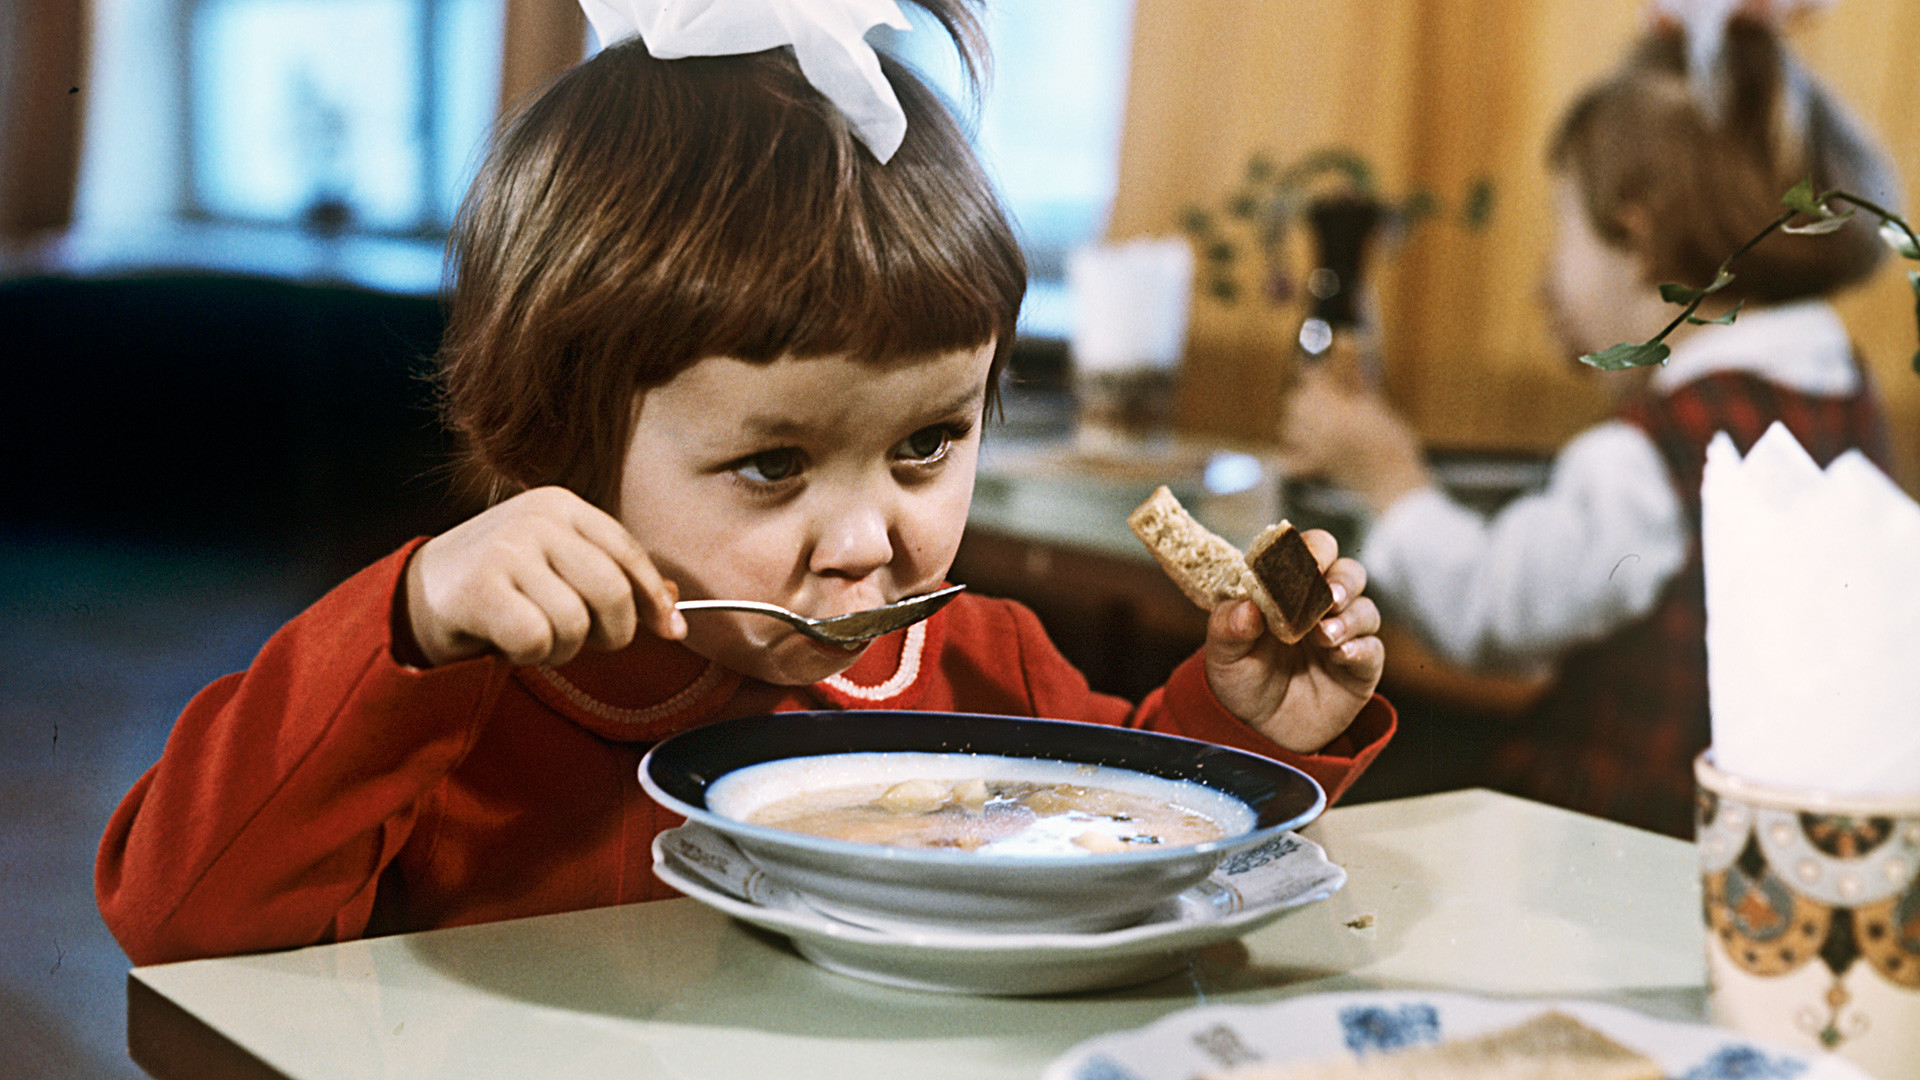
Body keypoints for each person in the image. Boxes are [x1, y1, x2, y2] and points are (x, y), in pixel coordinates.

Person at [95, 0, 1393, 967]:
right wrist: (410, 624)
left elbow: (1128, 867)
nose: (866, 543)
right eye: (773, 464)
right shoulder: (454, 699)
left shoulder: (989, 667)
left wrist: (1248, 731)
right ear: (555, 443)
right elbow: (181, 918)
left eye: (927, 444)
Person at [1277, 6, 1897, 838]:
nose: (1545, 277)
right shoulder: (1838, 390)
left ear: (1636, 237)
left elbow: (1492, 617)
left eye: (1561, 227)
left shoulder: (1645, 458)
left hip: (1613, 839)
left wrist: (1392, 483)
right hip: (1779, 830)